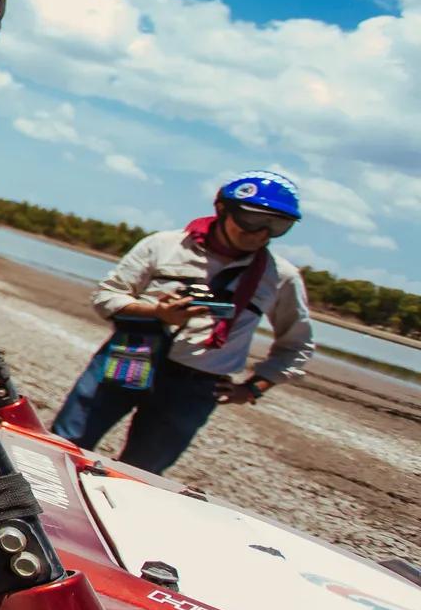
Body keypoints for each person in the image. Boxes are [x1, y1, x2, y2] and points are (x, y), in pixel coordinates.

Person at [51, 170, 315, 474]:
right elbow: (106, 297)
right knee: (64, 444)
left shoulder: (280, 277)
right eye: (252, 220)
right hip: (133, 354)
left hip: (195, 386)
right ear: (222, 208)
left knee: (140, 474)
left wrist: (254, 388)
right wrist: (157, 313)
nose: (261, 233)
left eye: (278, 226)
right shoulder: (164, 246)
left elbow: (297, 345)